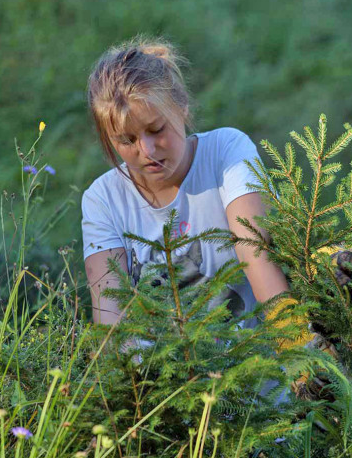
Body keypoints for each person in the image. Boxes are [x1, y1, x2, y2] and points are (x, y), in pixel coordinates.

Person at [82, 38, 289, 329]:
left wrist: (296, 340)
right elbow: (110, 317)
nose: (148, 151)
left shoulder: (226, 151)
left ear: (181, 107)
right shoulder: (102, 200)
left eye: (156, 129)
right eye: (126, 140)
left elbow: (254, 251)